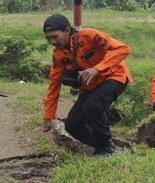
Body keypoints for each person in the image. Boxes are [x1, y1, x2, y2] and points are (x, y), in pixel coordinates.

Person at [40, 14, 132, 156]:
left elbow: (123, 49)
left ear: (67, 31)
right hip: (91, 86)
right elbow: (54, 85)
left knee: (93, 106)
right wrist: (48, 116)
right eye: (48, 39)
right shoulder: (58, 55)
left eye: (55, 36)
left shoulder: (90, 36)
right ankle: (105, 146)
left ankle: (107, 147)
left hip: (114, 77)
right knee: (72, 124)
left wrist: (97, 69)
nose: (52, 41)